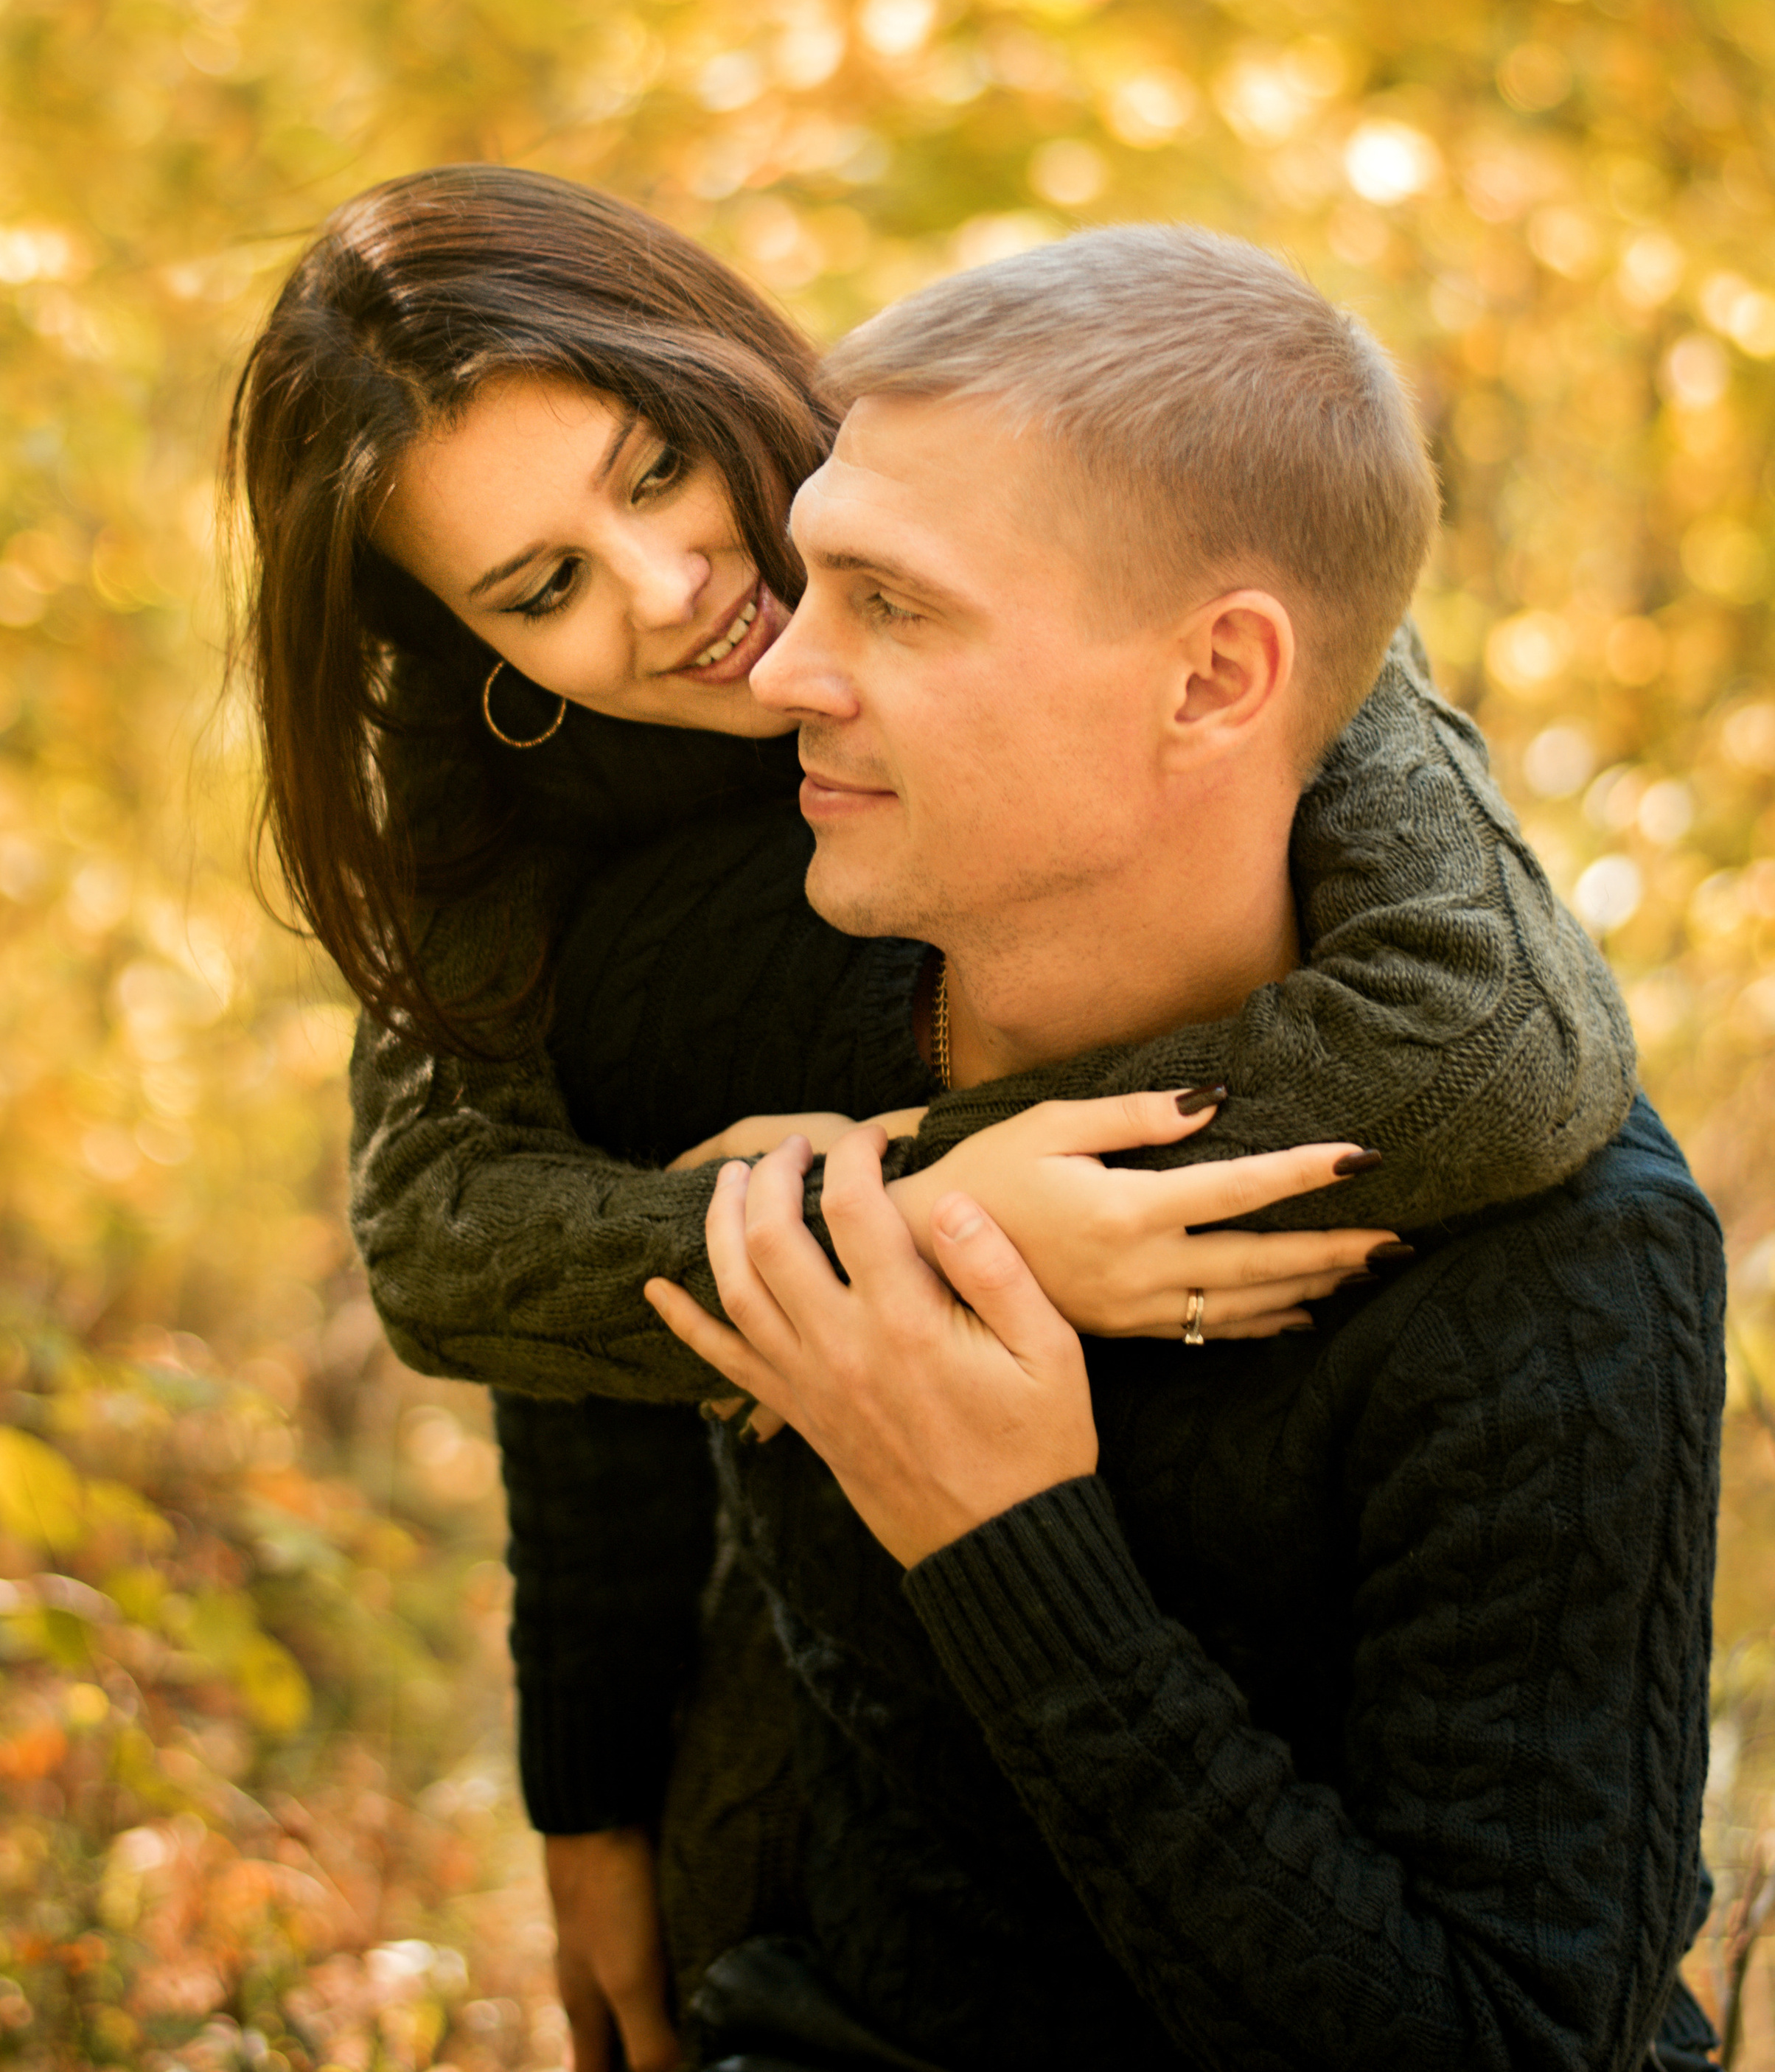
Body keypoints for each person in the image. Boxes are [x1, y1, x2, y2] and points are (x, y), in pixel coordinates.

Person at [227, 171, 1642, 2069]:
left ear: (719, 362)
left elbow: (1494, 1046)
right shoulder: (512, 808)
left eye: (657, 470)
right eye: (541, 587)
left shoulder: (1054, 511)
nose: (673, 591)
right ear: (464, 642)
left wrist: (927, 1198)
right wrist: (592, 1797)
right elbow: (462, 1246)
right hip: (829, 1796)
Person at [573, 228, 1723, 2070]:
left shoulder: (1554, 1271)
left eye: (892, 604)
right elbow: (562, 1336)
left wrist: (1000, 1537)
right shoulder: (738, 978)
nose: (780, 667)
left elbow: (1505, 2040)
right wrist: (590, 1816)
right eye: (810, 578)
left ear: (1211, 679)